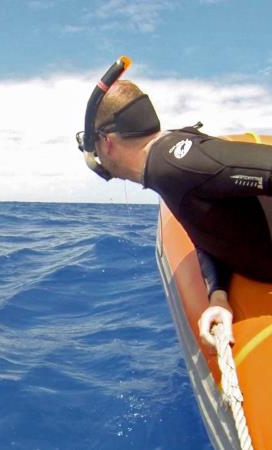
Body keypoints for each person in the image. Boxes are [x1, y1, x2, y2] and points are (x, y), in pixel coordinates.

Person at [77, 57, 272, 352]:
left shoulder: (175, 164)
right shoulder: (164, 172)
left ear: (106, 142)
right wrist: (219, 295)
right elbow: (211, 231)